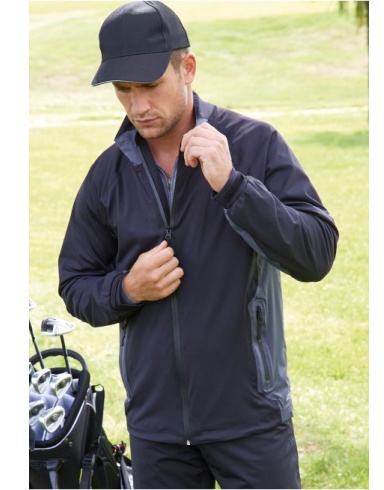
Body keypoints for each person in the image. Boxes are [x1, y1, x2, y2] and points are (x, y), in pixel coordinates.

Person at [58, 1, 339, 488]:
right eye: (123, 89)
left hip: (252, 421)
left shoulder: (254, 144)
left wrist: (234, 186)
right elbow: (75, 283)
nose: (137, 106)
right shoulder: (108, 174)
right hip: (157, 431)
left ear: (187, 68)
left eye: (149, 85)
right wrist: (127, 289)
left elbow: (317, 253)